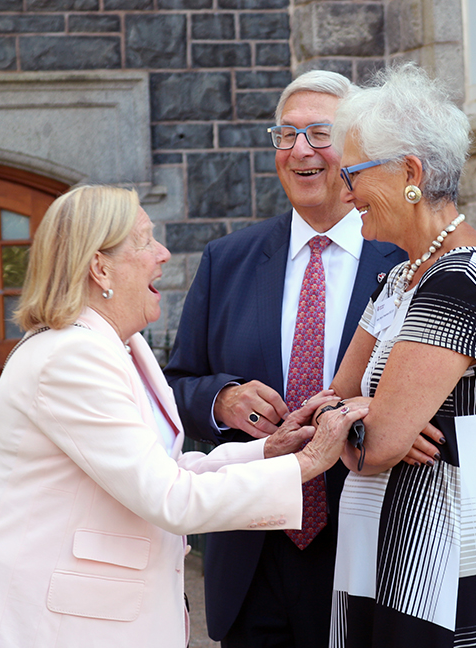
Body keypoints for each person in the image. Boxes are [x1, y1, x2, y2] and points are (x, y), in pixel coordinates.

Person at [0, 185, 367, 648]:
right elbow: (170, 497)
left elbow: (162, 469)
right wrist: (309, 463)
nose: (163, 254)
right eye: (144, 241)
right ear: (99, 266)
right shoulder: (70, 358)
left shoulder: (119, 347)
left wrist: (270, 449)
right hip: (50, 622)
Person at [163, 70, 406, 648]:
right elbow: (175, 388)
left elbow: (460, 385)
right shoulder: (228, 260)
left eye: (320, 134)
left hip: (369, 537)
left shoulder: (403, 260)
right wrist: (221, 399)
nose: (301, 151)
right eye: (286, 135)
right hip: (253, 549)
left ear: (354, 150)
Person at [320, 63, 476, 647]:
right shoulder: (401, 277)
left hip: (432, 569)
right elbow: (336, 396)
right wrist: (368, 416)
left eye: (354, 173)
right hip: (380, 551)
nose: (346, 193)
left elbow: (373, 444)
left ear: (411, 172)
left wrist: (372, 425)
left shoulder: (459, 281)